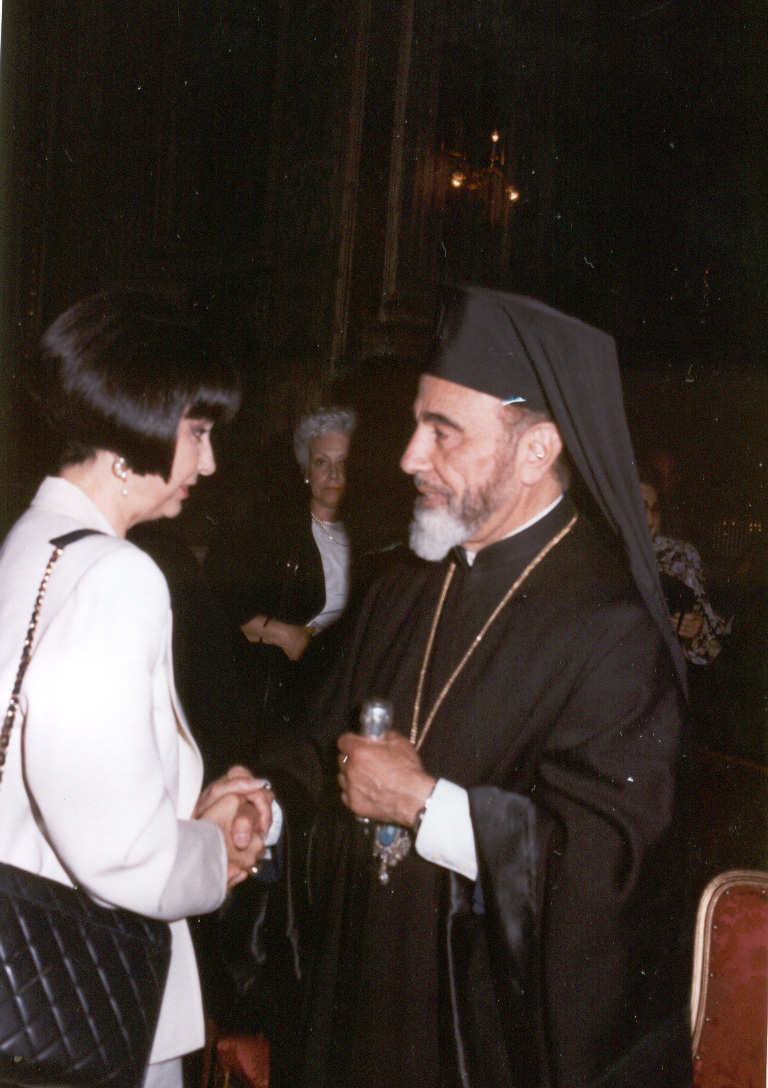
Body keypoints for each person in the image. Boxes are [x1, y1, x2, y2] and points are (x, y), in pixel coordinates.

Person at [261, 286, 695, 1088]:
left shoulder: (614, 631)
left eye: (442, 432)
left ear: (535, 451)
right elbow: (318, 739)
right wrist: (262, 803)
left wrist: (426, 805)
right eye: (415, 424)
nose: (407, 457)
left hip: (474, 1044)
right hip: (359, 1001)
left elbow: (607, 881)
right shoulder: (404, 583)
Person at [0, 288, 278, 1088]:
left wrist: (191, 812)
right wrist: (217, 851)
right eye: (199, 432)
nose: (209, 463)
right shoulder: (119, 575)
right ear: (136, 429)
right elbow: (121, 852)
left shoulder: (33, 541)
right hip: (82, 1003)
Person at [206, 406, 356, 737]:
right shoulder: (274, 530)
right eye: (322, 462)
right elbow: (223, 600)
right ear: (306, 470)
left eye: (344, 462)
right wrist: (287, 635)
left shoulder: (371, 538)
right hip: (285, 693)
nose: (334, 474)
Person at [639, 464, 727, 666]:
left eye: (655, 509)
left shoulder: (678, 555)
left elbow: (710, 646)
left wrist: (697, 629)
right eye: (641, 508)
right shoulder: (601, 555)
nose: (650, 520)